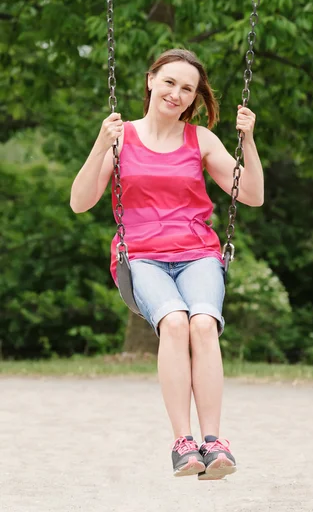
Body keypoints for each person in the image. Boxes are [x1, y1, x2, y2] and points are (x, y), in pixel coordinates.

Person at [70, 49, 264, 480]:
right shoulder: (121, 137)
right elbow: (80, 203)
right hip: (141, 256)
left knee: (202, 323)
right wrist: (101, 143)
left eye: (187, 89)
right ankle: (183, 443)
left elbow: (251, 195)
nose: (176, 93)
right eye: (170, 82)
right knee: (174, 322)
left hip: (197, 252)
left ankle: (213, 442)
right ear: (151, 81)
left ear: (195, 98)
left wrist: (247, 141)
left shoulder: (201, 140)